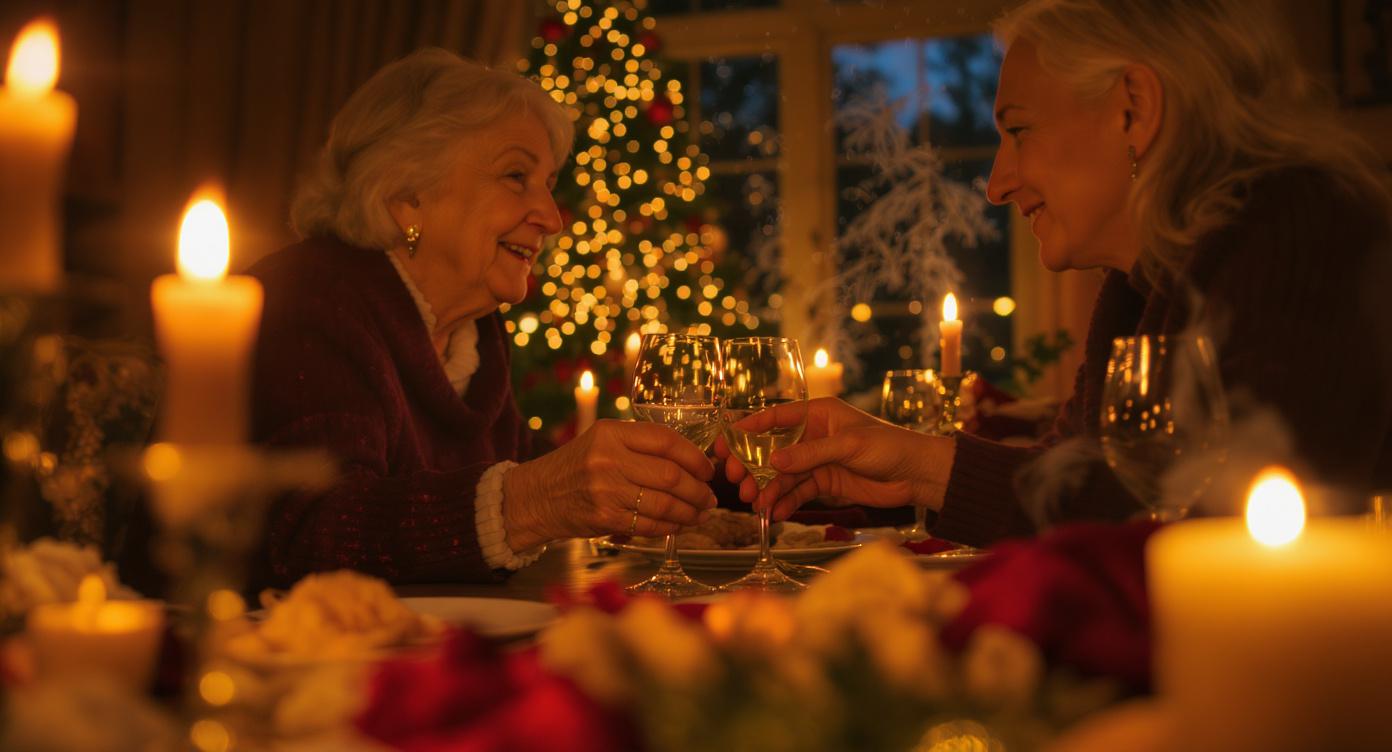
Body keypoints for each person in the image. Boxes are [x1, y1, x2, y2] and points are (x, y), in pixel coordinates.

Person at [718, 0, 1392, 546]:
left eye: (1018, 131)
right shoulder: (1146, 282)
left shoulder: (1298, 229)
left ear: (1134, 107)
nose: (997, 185)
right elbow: (1086, 492)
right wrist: (915, 466)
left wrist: (930, 468)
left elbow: (1208, 536)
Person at [249, 48, 716, 586]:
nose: (551, 218)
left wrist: (730, 468)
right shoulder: (307, 298)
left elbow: (528, 469)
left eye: (548, 182)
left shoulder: (473, 334)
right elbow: (312, 534)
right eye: (516, 176)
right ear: (407, 198)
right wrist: (532, 501)